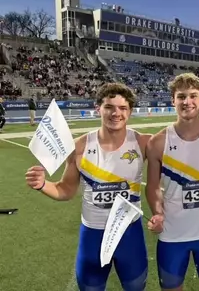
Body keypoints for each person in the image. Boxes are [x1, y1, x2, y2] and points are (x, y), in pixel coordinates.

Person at [25, 82, 151, 291]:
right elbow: (65, 189)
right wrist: (43, 185)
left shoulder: (143, 142)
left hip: (130, 234)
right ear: (98, 108)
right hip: (93, 233)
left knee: (136, 287)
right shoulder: (80, 146)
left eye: (122, 108)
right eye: (109, 107)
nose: (115, 113)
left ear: (130, 111)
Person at [145, 73, 199, 291]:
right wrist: (157, 212)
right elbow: (153, 187)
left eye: (193, 95)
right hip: (172, 235)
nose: (187, 102)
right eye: (181, 96)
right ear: (173, 100)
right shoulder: (158, 142)